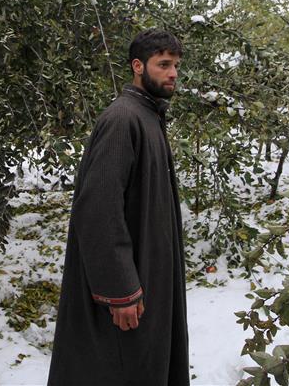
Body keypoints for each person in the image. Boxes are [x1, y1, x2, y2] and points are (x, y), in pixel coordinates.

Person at [47, 28, 189, 386]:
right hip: (128, 288)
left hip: (148, 270)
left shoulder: (148, 116)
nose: (173, 73)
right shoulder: (123, 119)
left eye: (176, 66)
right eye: (164, 65)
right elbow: (97, 208)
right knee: (117, 367)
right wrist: (120, 289)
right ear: (138, 66)